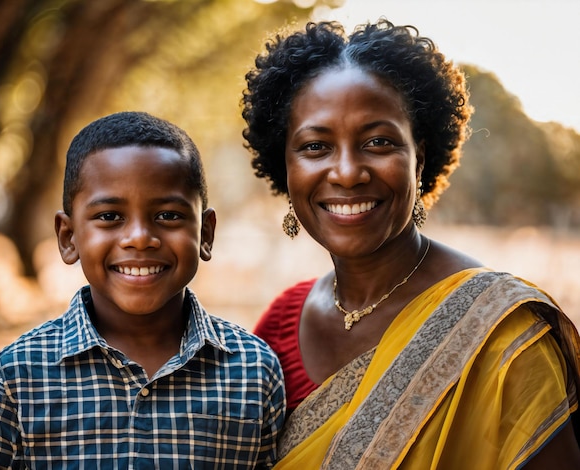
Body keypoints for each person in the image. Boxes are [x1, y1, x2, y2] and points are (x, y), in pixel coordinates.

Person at [241, 19, 580, 469]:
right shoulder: (280, 323)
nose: (346, 172)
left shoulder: (500, 333)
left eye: (378, 142)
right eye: (315, 146)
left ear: (420, 158)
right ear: (284, 166)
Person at [0, 111, 286, 469]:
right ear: (68, 238)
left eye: (168, 215)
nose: (139, 238)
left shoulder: (253, 371)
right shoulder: (16, 376)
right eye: (110, 217)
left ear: (205, 234)